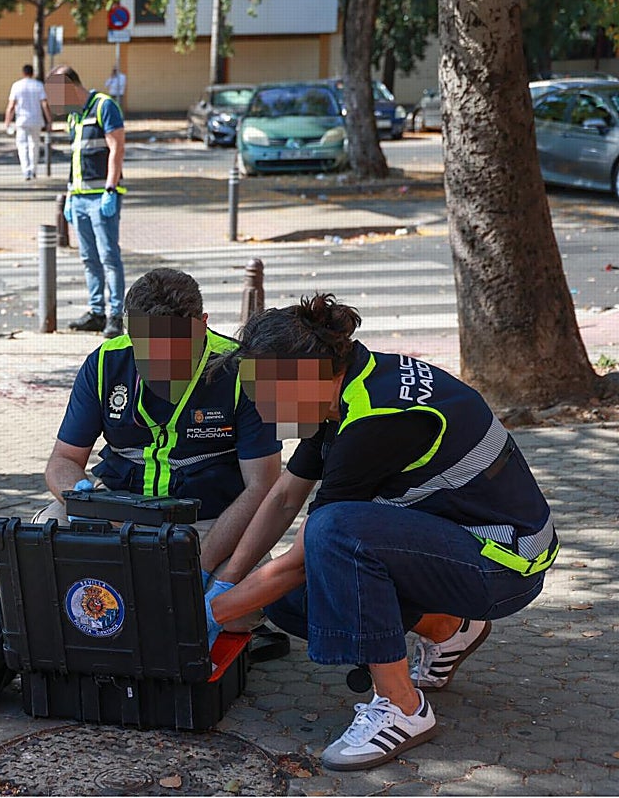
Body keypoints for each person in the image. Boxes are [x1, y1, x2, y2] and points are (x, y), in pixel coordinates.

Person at [207, 294, 556, 772]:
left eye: (268, 393)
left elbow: (310, 551)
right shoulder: (345, 387)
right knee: (289, 601)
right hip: (461, 541)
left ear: (309, 377)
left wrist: (206, 616)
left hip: (504, 565)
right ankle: (448, 628)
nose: (262, 408)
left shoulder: (376, 419)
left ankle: (403, 708)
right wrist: (223, 583)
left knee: (334, 532)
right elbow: (286, 496)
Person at [44, 268, 282, 573]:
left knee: (244, 591)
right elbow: (63, 459)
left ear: (202, 326)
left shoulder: (243, 370)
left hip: (210, 524)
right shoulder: (105, 362)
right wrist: (80, 499)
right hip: (115, 516)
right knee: (43, 542)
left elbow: (262, 487)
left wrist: (201, 566)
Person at [46, 65, 126, 339]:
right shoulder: (74, 117)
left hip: (101, 196)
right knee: (88, 258)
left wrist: (111, 188)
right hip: (79, 197)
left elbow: (117, 147)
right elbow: (75, 158)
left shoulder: (104, 106)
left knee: (108, 256)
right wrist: (69, 194)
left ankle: (116, 315)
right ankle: (96, 311)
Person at [3, 64, 52, 182]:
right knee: (34, 145)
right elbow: (44, 104)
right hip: (36, 119)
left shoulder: (17, 86)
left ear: (23, 73)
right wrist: (49, 120)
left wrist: (7, 121)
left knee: (22, 145)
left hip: (22, 120)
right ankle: (33, 169)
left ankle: (26, 170)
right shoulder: (38, 85)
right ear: (32, 73)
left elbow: (11, 105)